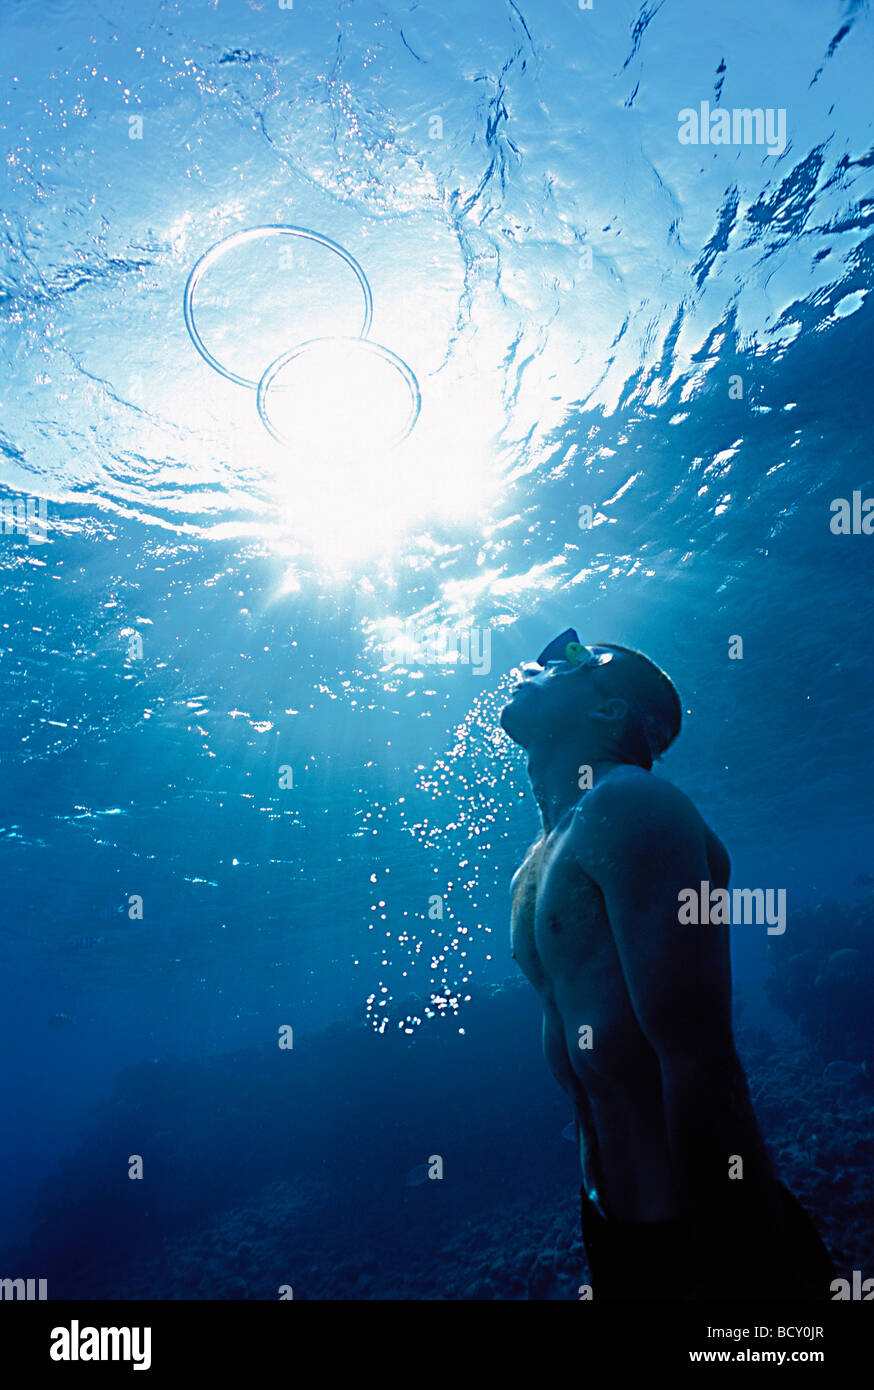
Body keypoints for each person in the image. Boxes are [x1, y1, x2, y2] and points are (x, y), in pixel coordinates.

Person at [500, 629, 834, 1299]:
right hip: (615, 1229)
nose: (542, 658)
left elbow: (700, 1059)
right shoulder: (538, 860)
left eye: (571, 655)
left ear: (608, 710)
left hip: (706, 1244)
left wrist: (749, 1285)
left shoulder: (630, 807)